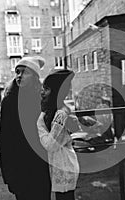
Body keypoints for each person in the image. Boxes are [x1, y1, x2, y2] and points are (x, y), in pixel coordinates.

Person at [0, 56, 51, 200]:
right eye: (17, 72)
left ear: (34, 77)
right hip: (19, 167)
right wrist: (8, 174)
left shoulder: (43, 100)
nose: (19, 76)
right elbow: (4, 139)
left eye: (24, 72)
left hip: (40, 165)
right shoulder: (9, 101)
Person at [37, 68, 80, 200]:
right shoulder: (54, 111)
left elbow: (50, 145)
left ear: (55, 92)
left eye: (47, 88)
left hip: (65, 167)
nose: (43, 92)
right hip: (60, 165)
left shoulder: (61, 114)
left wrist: (40, 126)